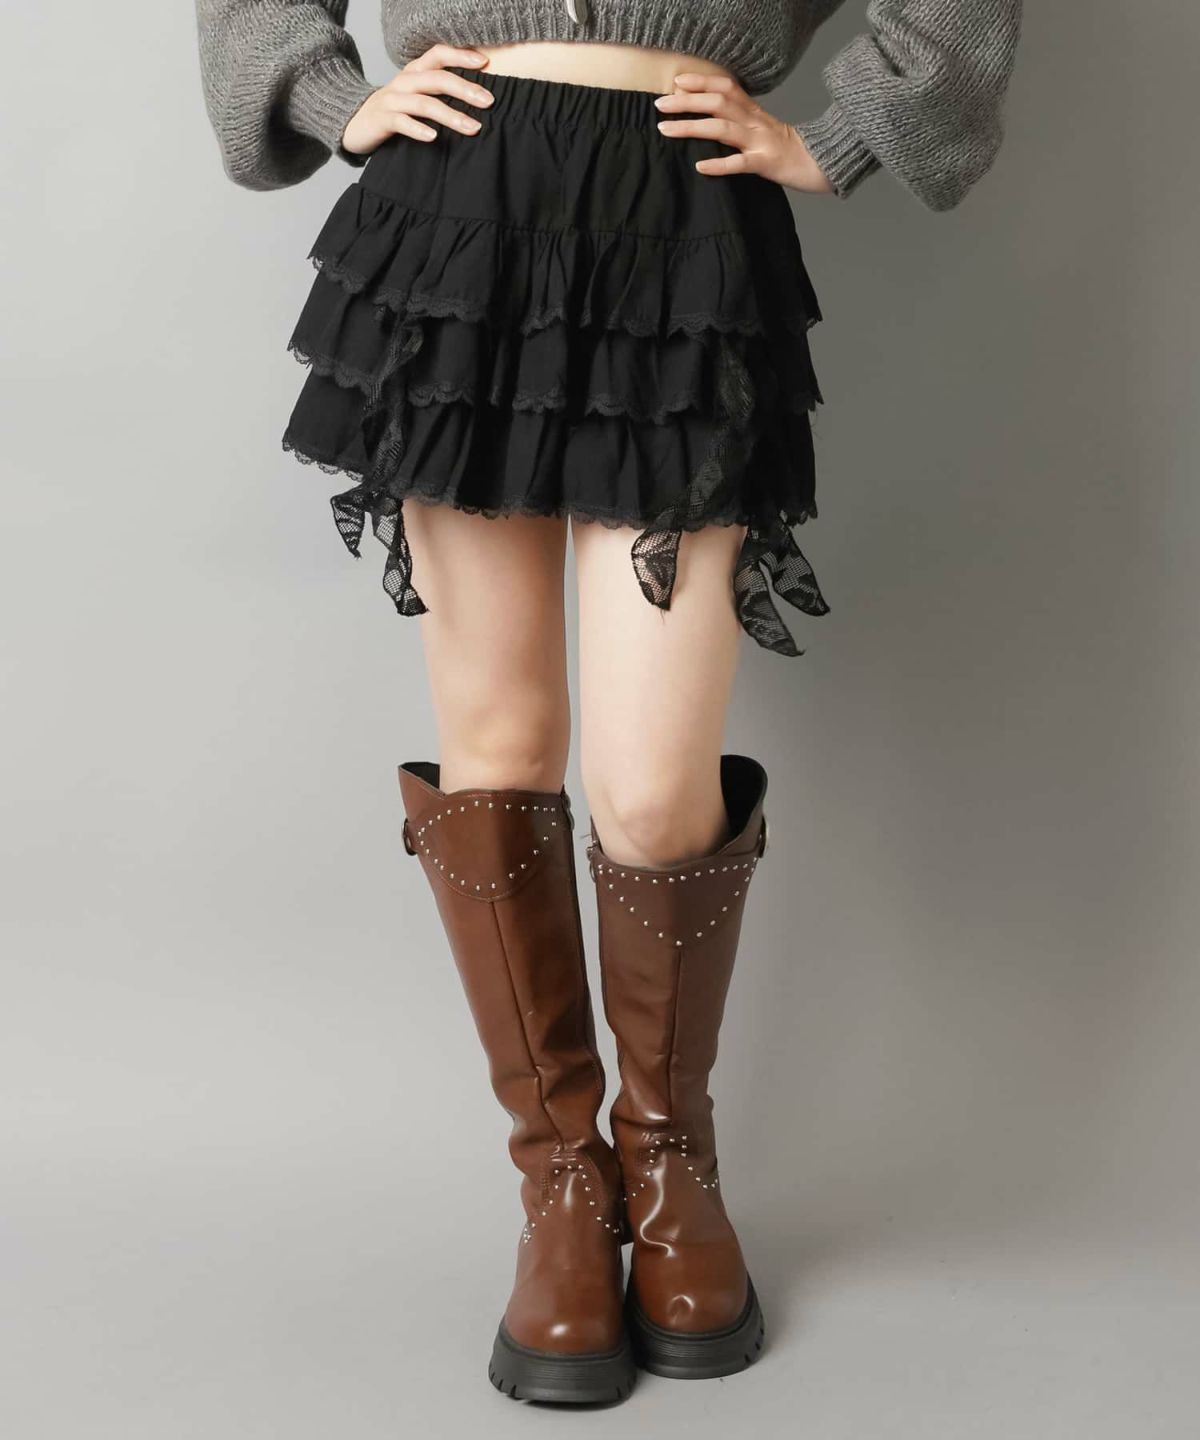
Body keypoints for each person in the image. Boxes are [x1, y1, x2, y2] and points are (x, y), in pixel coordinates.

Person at [193, 1, 1023, 1405]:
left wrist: (847, 134)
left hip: (681, 215)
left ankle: (671, 1163)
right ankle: (563, 1190)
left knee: (649, 788)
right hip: (458, 208)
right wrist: (326, 95)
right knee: (502, 742)